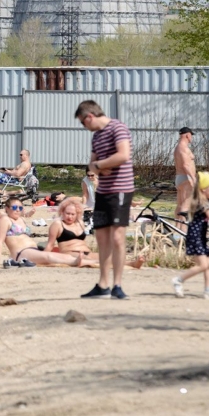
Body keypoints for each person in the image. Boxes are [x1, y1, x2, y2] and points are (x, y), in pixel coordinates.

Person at [75, 100, 135, 300]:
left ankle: (117, 285)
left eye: (83, 123)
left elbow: (123, 155)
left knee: (117, 237)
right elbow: (91, 165)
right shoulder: (96, 137)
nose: (85, 127)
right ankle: (103, 284)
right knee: (102, 239)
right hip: (102, 192)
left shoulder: (118, 128)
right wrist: (99, 166)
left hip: (120, 190)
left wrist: (100, 164)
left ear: (89, 116)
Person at [0, 197, 81, 268]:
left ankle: (83, 260)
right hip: (21, 253)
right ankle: (76, 261)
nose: (18, 210)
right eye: (15, 207)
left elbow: (26, 215)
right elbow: (0, 241)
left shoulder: (21, 219)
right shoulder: (5, 220)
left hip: (33, 250)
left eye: (20, 208)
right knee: (48, 257)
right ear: (7, 209)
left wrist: (30, 212)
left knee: (56, 255)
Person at [174, 127, 196, 222]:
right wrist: (193, 179)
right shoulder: (183, 148)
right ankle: (182, 231)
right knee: (185, 206)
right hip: (186, 178)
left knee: (180, 205)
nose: (191, 138)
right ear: (187, 135)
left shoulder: (178, 147)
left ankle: (177, 230)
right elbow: (186, 165)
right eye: (191, 135)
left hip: (180, 178)